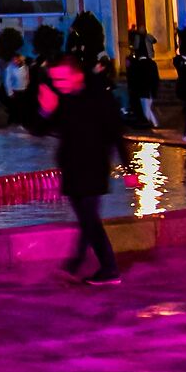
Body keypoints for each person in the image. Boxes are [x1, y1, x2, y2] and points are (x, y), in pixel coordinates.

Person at [35, 55, 122, 284]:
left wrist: (129, 169)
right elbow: (40, 129)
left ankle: (109, 269)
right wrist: (45, 110)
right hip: (71, 167)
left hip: (94, 167)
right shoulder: (62, 100)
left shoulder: (99, 97)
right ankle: (77, 264)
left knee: (89, 219)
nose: (58, 84)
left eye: (62, 79)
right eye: (55, 80)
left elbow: (116, 132)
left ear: (78, 76)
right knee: (86, 219)